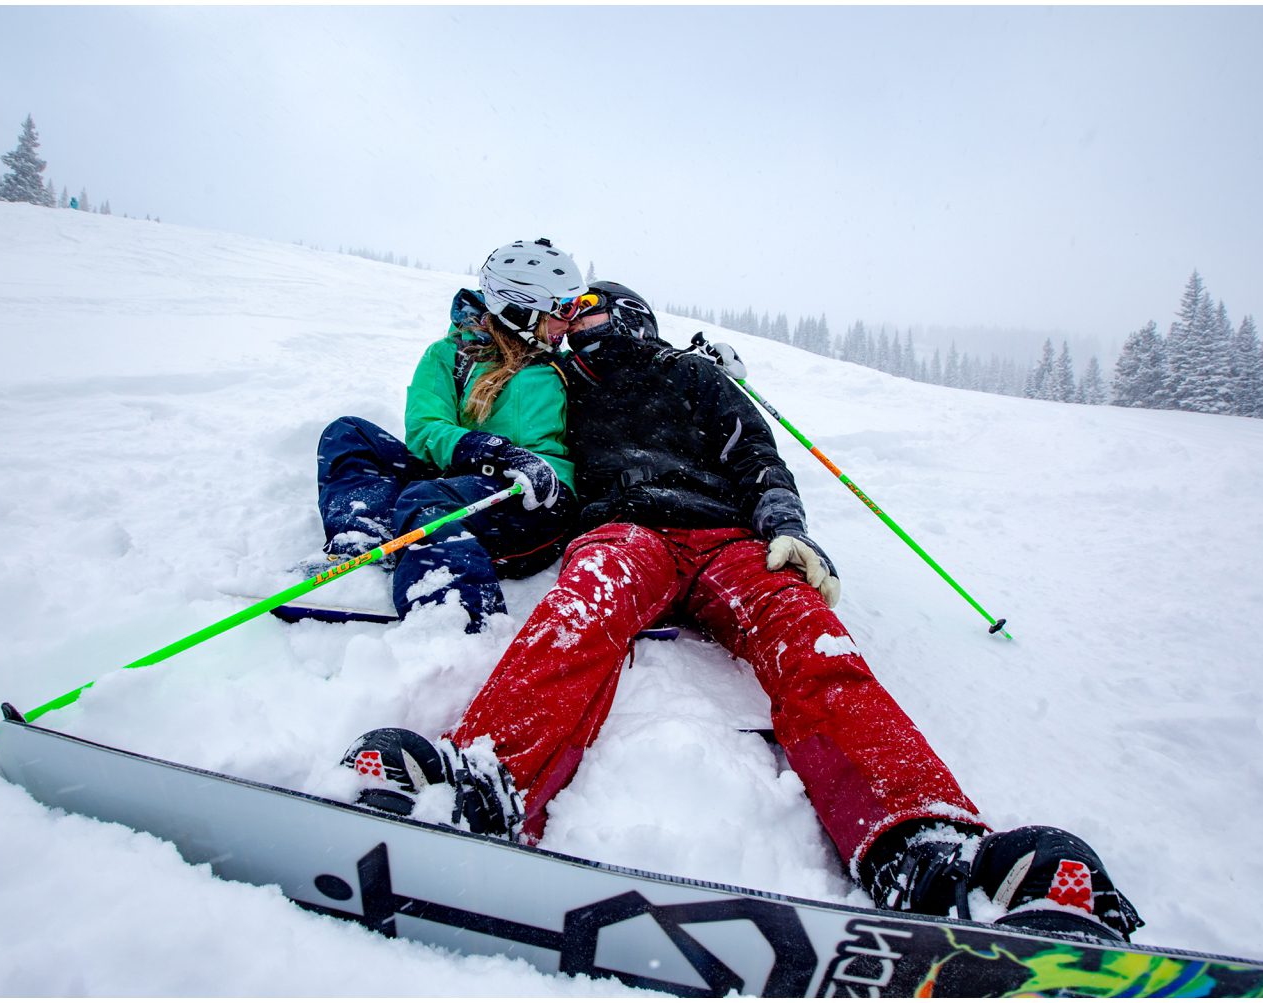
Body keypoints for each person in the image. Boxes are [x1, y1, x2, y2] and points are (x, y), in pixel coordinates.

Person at [342, 284, 1143, 943]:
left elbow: (758, 456)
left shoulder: (692, 377)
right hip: (627, 531)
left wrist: (785, 528)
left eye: (586, 308)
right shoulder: (559, 385)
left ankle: (921, 841)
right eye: (566, 312)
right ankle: (488, 782)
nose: (570, 321)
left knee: (809, 638)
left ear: (624, 316)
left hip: (726, 539)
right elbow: (507, 414)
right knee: (581, 609)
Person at [314, 238, 590, 632]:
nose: (571, 321)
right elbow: (426, 427)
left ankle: (459, 621)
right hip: (457, 476)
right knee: (349, 433)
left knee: (427, 501)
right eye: (563, 309)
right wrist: (486, 449)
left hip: (532, 495)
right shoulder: (451, 355)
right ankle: (364, 546)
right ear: (520, 308)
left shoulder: (563, 367)